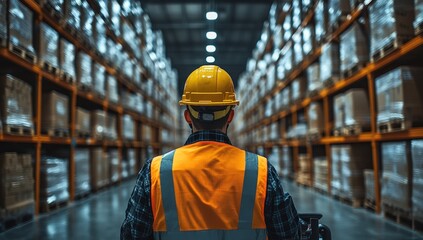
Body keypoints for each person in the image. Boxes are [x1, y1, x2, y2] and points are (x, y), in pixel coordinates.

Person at [121, 65, 301, 240]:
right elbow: (288, 233)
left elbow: (132, 234)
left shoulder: (155, 171)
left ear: (187, 116)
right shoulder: (260, 170)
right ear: (231, 115)